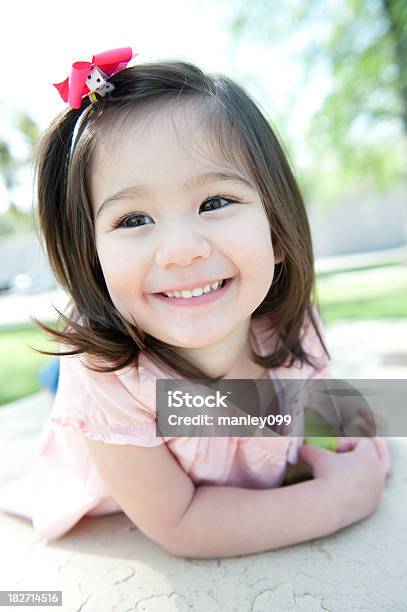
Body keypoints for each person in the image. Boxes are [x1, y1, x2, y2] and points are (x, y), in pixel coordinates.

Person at [0, 48, 391, 558]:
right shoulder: (107, 378)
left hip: (194, 396)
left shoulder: (286, 325)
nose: (182, 250)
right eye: (134, 220)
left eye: (215, 203)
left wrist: (347, 441)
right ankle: (52, 384)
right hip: (124, 382)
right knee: (70, 382)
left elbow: (320, 407)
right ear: (93, 259)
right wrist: (338, 499)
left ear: (276, 232)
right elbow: (182, 522)